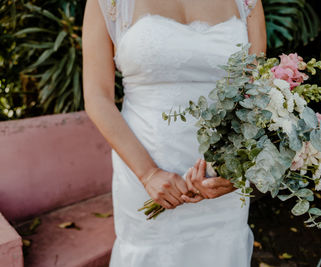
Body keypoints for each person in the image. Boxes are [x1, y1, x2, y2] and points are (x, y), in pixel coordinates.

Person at [82, 0, 266, 266]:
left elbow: (256, 92)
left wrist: (237, 169)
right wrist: (148, 174)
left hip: (222, 181)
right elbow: (98, 97)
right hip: (146, 174)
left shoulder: (247, 2)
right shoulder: (109, 3)